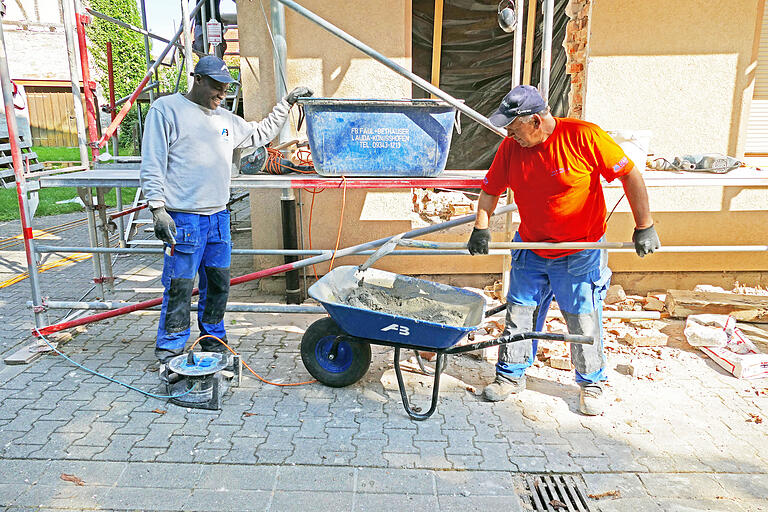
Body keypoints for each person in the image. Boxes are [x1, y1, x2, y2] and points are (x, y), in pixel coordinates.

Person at [467, 85, 660, 415]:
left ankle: (591, 382)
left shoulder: (583, 137)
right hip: (530, 246)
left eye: (515, 130)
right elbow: (490, 190)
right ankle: (510, 377)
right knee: (520, 313)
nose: (511, 136)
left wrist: (645, 225)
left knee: (582, 318)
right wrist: (480, 228)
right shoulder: (510, 150)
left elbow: (630, 175)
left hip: (579, 250)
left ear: (536, 122)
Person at [140, 55, 312, 381]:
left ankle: (213, 341)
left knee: (218, 285)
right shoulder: (167, 111)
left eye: (226, 88)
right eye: (216, 87)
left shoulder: (226, 120)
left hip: (218, 216)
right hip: (184, 219)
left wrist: (286, 103)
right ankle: (170, 352)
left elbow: (261, 133)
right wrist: (157, 209)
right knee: (178, 286)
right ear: (198, 79)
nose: (221, 93)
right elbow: (152, 161)